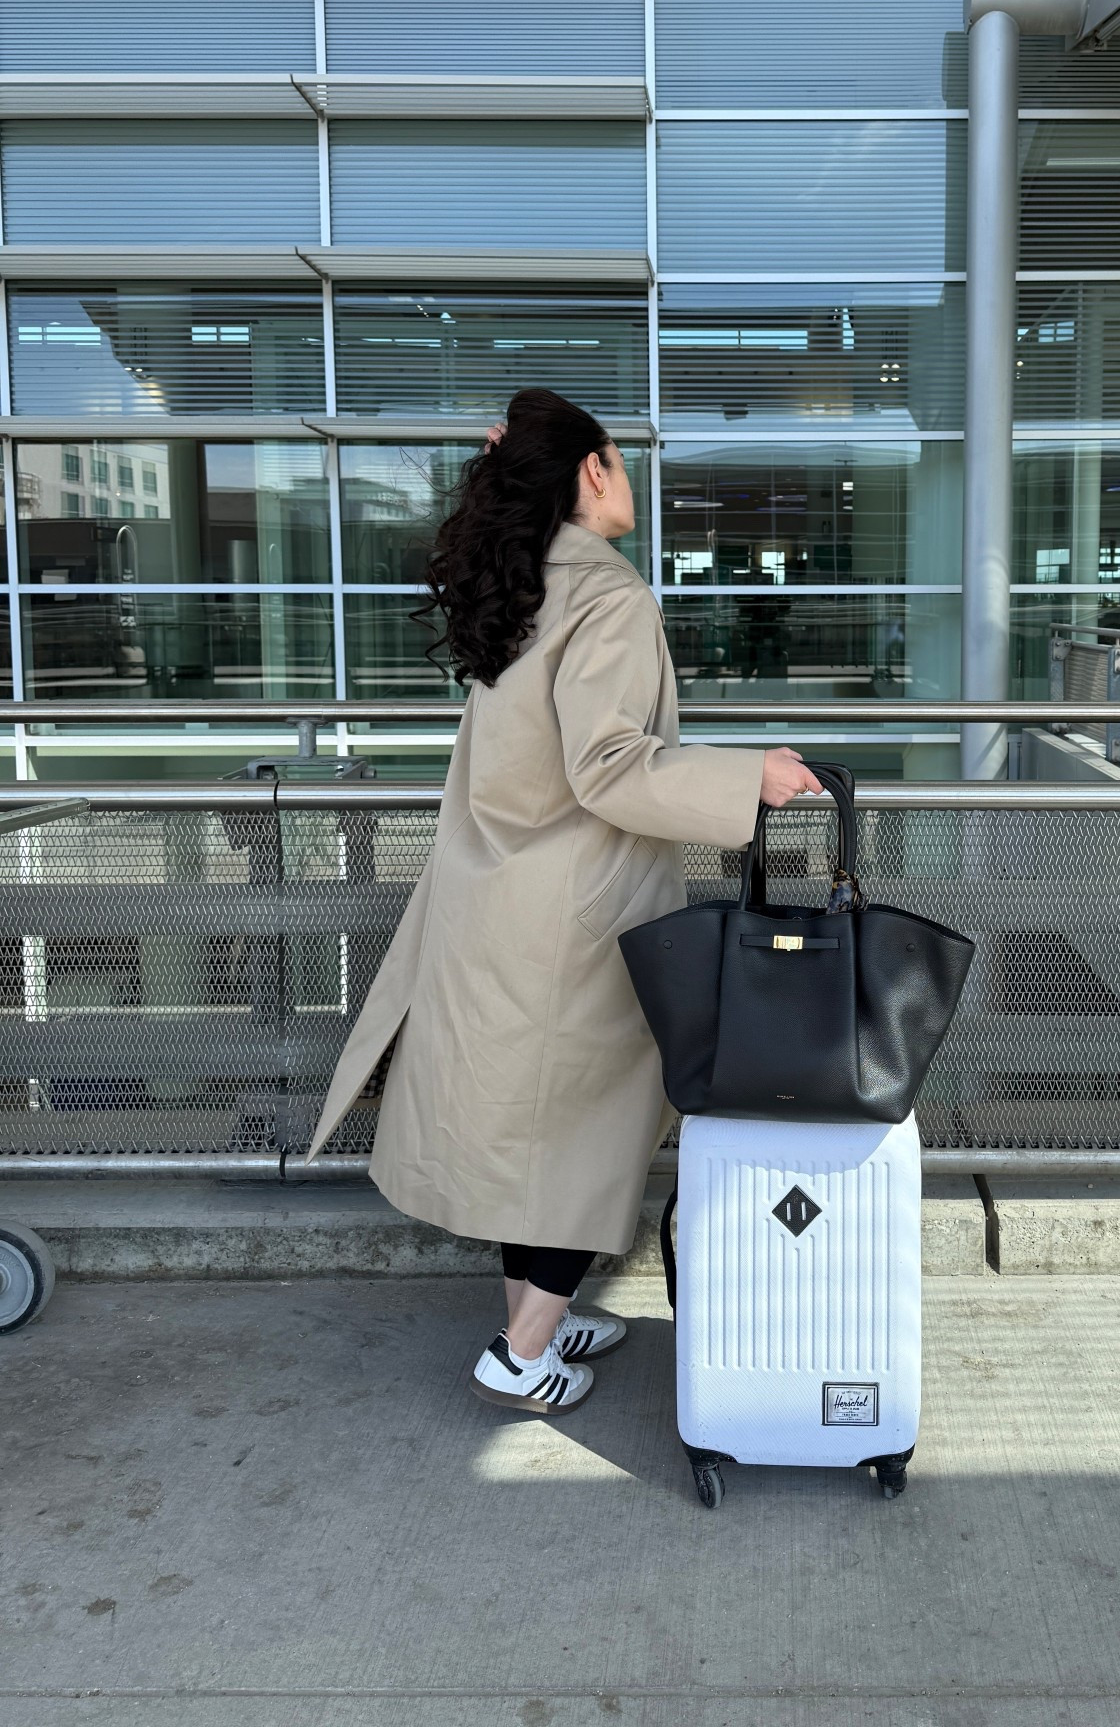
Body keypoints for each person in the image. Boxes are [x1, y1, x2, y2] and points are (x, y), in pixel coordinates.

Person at [304, 388, 823, 1414]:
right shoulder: (610, 593)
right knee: (585, 1129)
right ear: (590, 471)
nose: (630, 478)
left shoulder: (525, 579)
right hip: (574, 913)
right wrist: (743, 777)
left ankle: (536, 1303)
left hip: (501, 893)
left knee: (530, 1127)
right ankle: (523, 1348)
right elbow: (610, 765)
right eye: (619, 460)